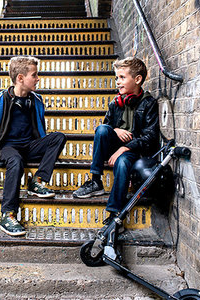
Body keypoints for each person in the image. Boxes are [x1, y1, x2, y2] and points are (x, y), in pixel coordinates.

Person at [0, 56, 67, 236]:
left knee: (58, 137)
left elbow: (40, 128)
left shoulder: (36, 99)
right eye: (34, 75)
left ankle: (37, 181)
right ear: (20, 78)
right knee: (16, 160)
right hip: (8, 148)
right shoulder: (0, 99)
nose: (38, 79)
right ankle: (8, 214)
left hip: (29, 146)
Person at [73, 57, 159, 232]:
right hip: (115, 146)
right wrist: (116, 129)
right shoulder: (115, 103)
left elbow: (150, 137)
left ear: (137, 79)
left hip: (134, 150)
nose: (118, 82)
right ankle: (96, 181)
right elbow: (105, 129)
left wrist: (125, 147)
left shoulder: (148, 103)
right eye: (116, 78)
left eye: (122, 77)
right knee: (102, 129)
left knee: (122, 162)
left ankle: (115, 215)